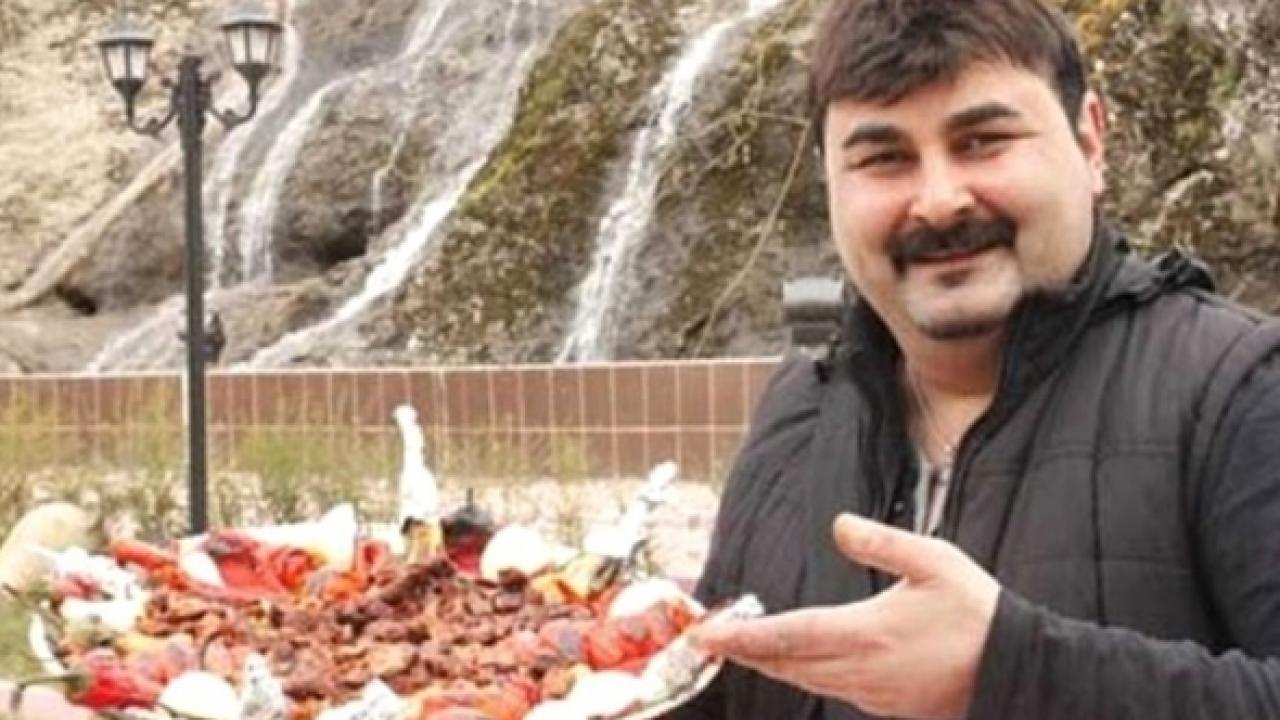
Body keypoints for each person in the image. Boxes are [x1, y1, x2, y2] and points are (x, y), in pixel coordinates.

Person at [672, 0, 1280, 718]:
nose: (938, 202)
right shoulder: (800, 408)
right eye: (884, 159)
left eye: (983, 141)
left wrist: (1012, 668)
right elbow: (715, 682)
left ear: (1090, 141)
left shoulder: (1242, 392)